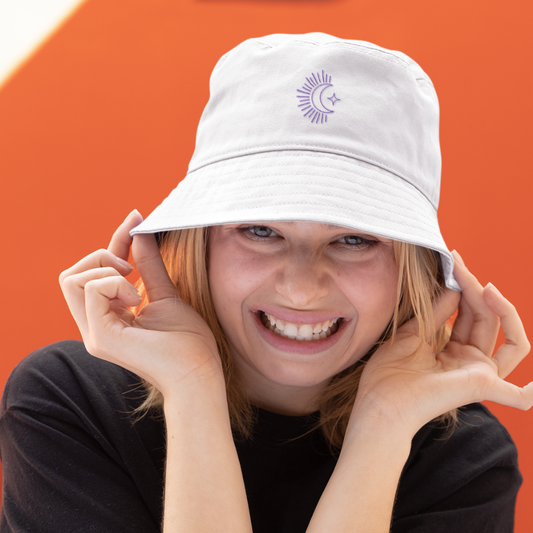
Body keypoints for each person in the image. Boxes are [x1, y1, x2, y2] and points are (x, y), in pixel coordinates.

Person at [0, 33, 531, 533]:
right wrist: (192, 387)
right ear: (197, 245)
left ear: (414, 272)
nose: (302, 289)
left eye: (354, 240)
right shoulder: (71, 404)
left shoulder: (464, 463)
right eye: (260, 231)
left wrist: (385, 426)